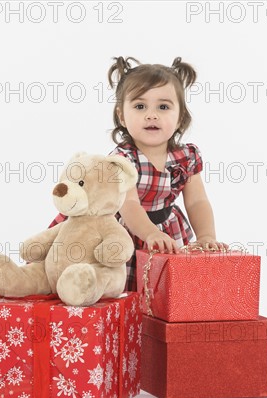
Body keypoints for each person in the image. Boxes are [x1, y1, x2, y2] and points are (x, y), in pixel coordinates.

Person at [49, 56, 229, 292]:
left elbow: (197, 201)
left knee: (167, 292)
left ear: (180, 117)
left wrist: (206, 235)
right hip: (127, 230)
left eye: (163, 107)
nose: (151, 115)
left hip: (169, 230)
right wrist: (150, 233)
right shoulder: (123, 159)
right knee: (127, 290)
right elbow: (129, 205)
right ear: (122, 116)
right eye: (140, 106)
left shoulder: (186, 156)